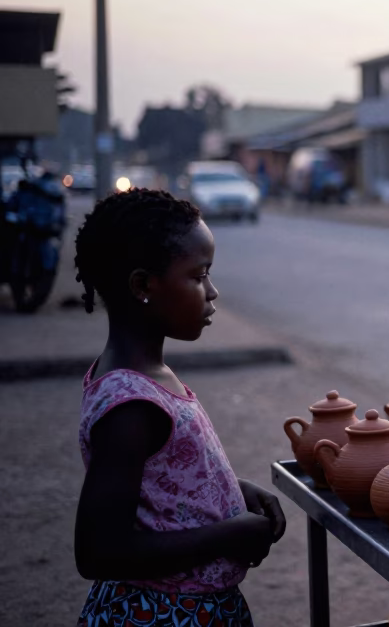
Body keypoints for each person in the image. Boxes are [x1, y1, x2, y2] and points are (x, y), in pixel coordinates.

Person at [73, 188, 285, 626]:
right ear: (143, 286)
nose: (212, 291)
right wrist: (230, 533)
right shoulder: (130, 407)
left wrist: (231, 490)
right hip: (162, 614)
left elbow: (158, 482)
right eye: (198, 275)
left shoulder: (147, 376)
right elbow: (99, 551)